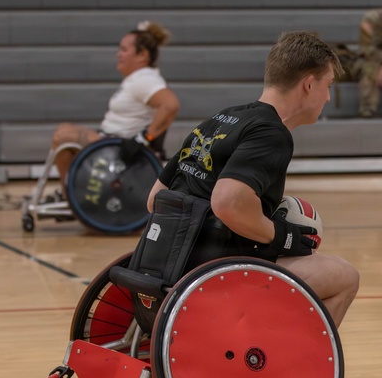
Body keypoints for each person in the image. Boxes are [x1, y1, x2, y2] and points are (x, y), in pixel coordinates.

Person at [145, 31, 360, 327]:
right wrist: (282, 236)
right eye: (328, 85)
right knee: (345, 276)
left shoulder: (221, 118)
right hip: (214, 278)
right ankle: (287, 368)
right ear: (309, 84)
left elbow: (155, 199)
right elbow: (228, 201)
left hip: (168, 267)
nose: (328, 97)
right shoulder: (271, 133)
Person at [49, 21, 180, 184]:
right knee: (64, 129)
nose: (119, 54)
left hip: (117, 147)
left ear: (142, 55)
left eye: (124, 50)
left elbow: (170, 105)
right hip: (107, 141)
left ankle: (69, 196)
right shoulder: (137, 79)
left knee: (63, 136)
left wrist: (144, 138)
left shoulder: (145, 80)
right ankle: (72, 191)